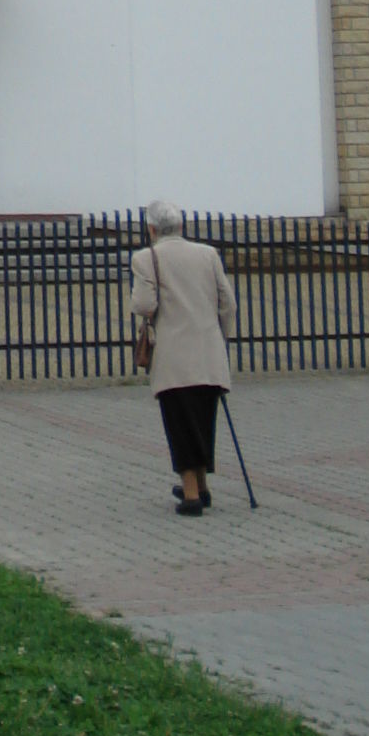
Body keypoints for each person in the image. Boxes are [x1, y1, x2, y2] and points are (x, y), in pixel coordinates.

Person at [131, 199, 236, 516]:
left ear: (152, 229)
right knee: (203, 420)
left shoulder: (146, 258)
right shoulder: (208, 254)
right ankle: (202, 487)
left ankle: (190, 496)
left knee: (179, 424)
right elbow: (228, 303)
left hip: (173, 357)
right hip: (208, 353)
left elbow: (144, 305)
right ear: (181, 226)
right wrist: (219, 337)